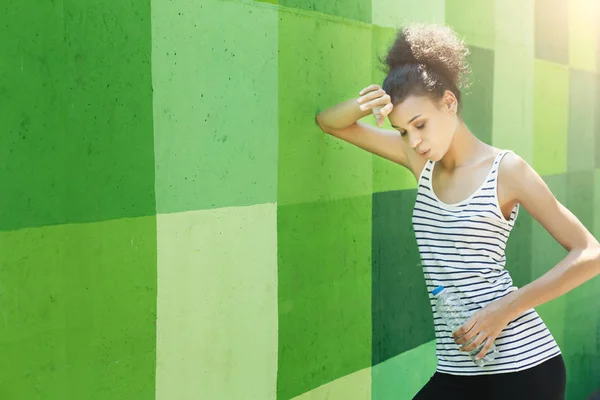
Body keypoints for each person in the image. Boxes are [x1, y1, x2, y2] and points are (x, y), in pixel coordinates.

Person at [315, 23, 600, 400]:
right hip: (457, 369)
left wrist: (504, 310)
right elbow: (330, 122)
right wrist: (363, 103)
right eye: (402, 131)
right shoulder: (421, 162)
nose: (414, 141)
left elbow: (590, 253)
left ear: (449, 103)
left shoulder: (506, 170)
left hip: (523, 368)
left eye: (419, 125)